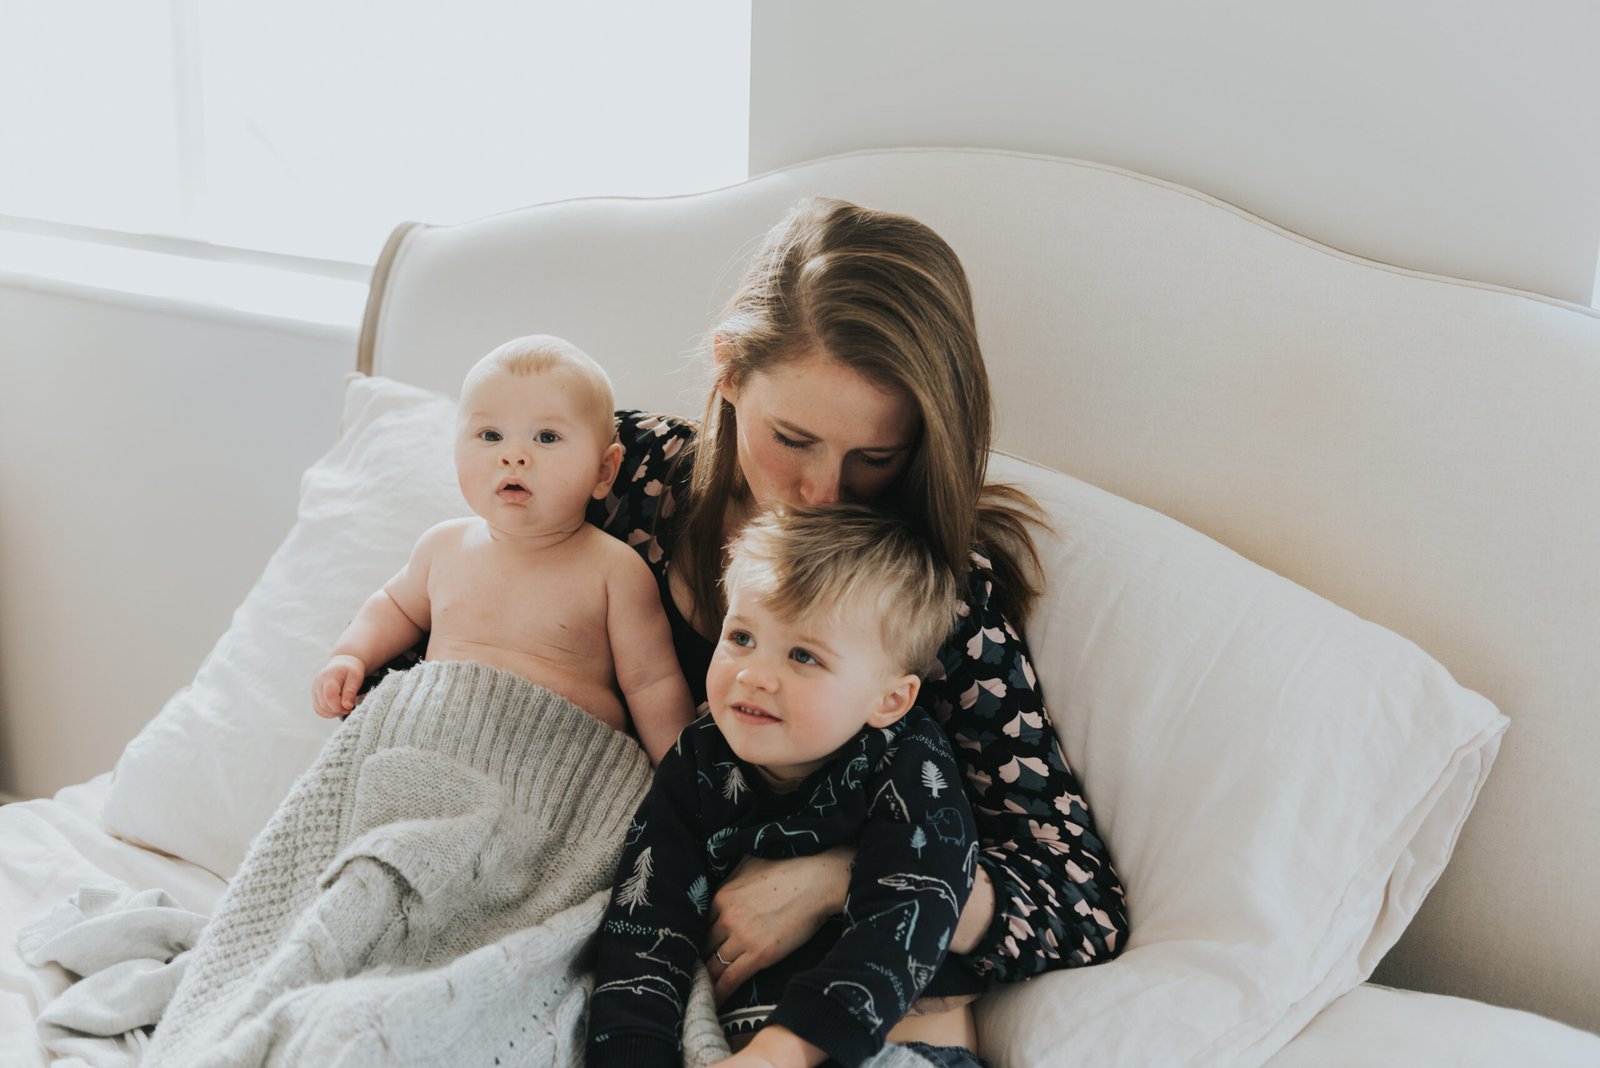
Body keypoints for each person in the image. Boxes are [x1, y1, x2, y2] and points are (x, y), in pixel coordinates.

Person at [585, 196, 1128, 996]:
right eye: (792, 440)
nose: (822, 493)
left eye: (874, 458)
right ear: (729, 372)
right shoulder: (621, 477)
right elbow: (451, 636)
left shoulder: (929, 603)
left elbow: (1079, 898)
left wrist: (842, 877)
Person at [587, 504, 985, 1068]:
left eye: (803, 655)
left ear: (888, 700)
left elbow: (913, 910)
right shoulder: (698, 758)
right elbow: (646, 921)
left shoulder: (906, 761)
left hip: (899, 1035)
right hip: (741, 1036)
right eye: (742, 637)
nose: (753, 673)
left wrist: (783, 1052)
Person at [312, 334, 694, 764]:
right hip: (434, 746)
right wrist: (351, 655)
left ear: (605, 471)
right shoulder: (443, 547)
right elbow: (392, 607)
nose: (513, 455)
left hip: (560, 763)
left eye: (546, 437)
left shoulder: (615, 570)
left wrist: (676, 782)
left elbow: (651, 683)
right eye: (490, 435)